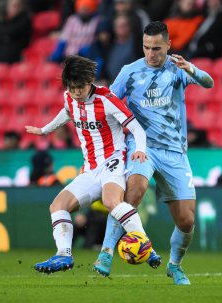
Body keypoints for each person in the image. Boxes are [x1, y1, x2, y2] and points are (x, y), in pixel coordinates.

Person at [93, 21, 214, 285]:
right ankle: (105, 253)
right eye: (146, 47)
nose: (151, 54)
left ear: (169, 45)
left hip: (175, 153)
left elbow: (209, 82)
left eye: (157, 48)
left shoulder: (178, 69)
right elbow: (109, 106)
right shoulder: (129, 72)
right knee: (133, 192)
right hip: (142, 148)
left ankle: (174, 265)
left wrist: (191, 68)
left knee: (186, 220)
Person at [25, 55, 151, 274]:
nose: (76, 93)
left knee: (112, 201)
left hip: (113, 161)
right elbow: (66, 112)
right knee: (57, 206)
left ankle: (146, 245)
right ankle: (63, 255)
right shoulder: (70, 98)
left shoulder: (107, 99)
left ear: (90, 80)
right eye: (71, 88)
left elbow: (136, 127)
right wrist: (45, 130)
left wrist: (140, 149)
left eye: (80, 88)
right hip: (91, 167)